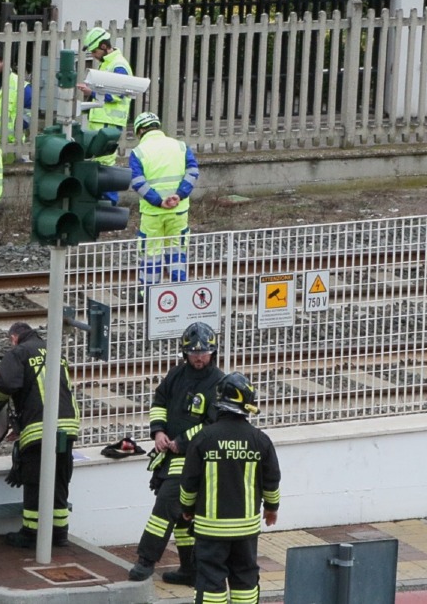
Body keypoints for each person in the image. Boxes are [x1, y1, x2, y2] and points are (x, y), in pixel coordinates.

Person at [128, 322, 228, 585]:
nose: (199, 357)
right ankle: (190, 570)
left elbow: (212, 424)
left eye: (204, 352)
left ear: (213, 352)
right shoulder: (176, 375)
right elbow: (159, 402)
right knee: (184, 517)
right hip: (170, 456)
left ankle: (145, 561)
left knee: (164, 507)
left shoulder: (218, 383)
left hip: (195, 459)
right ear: (185, 352)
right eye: (194, 353)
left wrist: (181, 442)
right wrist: (158, 432)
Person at [179, 373, 281, 604]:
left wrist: (187, 508)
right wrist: (271, 508)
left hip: (211, 529)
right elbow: (272, 480)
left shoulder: (204, 438)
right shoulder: (260, 440)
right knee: (245, 579)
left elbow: (189, 482)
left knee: (210, 580)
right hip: (246, 529)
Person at [0, 321, 81, 549]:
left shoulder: (19, 352)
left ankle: (31, 533)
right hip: (68, 426)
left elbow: (5, 384)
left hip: (40, 427)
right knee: (59, 479)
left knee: (34, 480)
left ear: (14, 338)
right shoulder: (54, 350)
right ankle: (59, 533)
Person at [129, 111, 200, 293]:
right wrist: (179, 195)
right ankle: (179, 291)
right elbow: (193, 171)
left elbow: (137, 182)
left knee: (151, 253)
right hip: (178, 210)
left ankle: (149, 294)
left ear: (140, 130)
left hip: (152, 213)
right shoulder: (180, 146)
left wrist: (158, 202)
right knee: (177, 251)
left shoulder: (138, 152)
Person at [76, 26, 133, 205]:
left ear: (103, 45)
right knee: (99, 164)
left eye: (94, 51)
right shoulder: (109, 63)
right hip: (102, 121)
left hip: (109, 122)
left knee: (105, 165)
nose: (93, 55)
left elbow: (119, 93)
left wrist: (91, 92)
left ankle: (109, 206)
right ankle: (103, 205)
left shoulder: (118, 64)